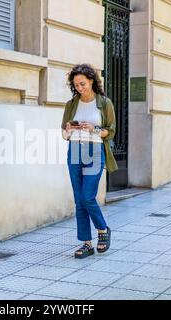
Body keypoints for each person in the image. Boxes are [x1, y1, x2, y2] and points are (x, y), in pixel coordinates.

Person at [61, 63, 119, 259]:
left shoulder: (104, 103)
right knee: (79, 200)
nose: (80, 88)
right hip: (75, 151)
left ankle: (103, 229)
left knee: (87, 196)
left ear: (92, 81)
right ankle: (86, 243)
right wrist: (69, 131)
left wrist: (92, 129)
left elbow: (110, 132)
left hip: (94, 151)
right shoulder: (71, 105)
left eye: (83, 84)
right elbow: (64, 133)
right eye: (76, 85)